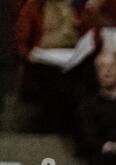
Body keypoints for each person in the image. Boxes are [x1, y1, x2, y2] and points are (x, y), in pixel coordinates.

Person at [14, 0, 104, 135]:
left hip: (73, 56)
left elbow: (95, 38)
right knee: (59, 80)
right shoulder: (34, 6)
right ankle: (69, 128)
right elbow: (21, 42)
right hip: (43, 59)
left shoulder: (77, 6)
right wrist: (30, 56)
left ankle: (87, 124)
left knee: (89, 72)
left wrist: (91, 15)